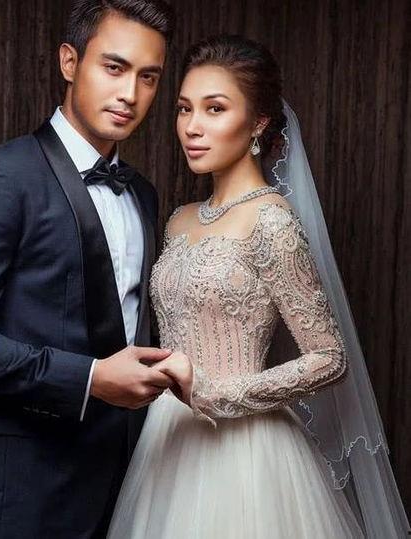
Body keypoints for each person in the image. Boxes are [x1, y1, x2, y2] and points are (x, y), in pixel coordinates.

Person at [107, 35, 411, 538]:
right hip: (167, 440)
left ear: (258, 123)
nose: (192, 126)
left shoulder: (271, 221)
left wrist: (217, 392)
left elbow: (329, 357)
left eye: (215, 109)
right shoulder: (179, 219)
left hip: (246, 452)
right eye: (184, 108)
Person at [0, 1, 175, 537]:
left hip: (128, 481)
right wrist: (90, 379)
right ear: (69, 61)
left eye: (148, 77)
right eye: (114, 67)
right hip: (25, 488)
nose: (130, 94)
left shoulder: (143, 194)